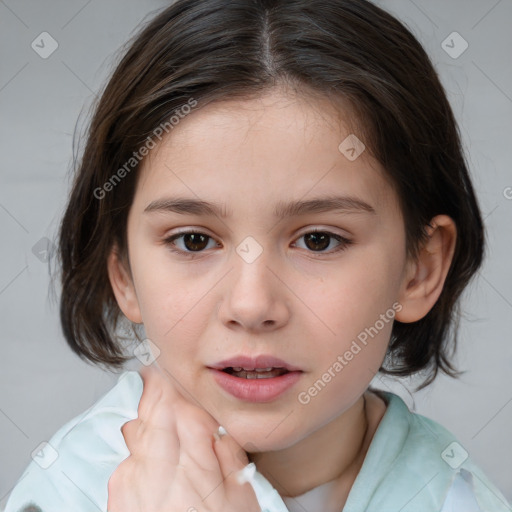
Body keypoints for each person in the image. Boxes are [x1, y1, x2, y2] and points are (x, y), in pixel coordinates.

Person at [4, 0, 511, 510]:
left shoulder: (455, 497)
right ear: (124, 272)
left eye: (318, 240)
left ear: (418, 269)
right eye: (194, 240)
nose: (251, 305)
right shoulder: (63, 491)